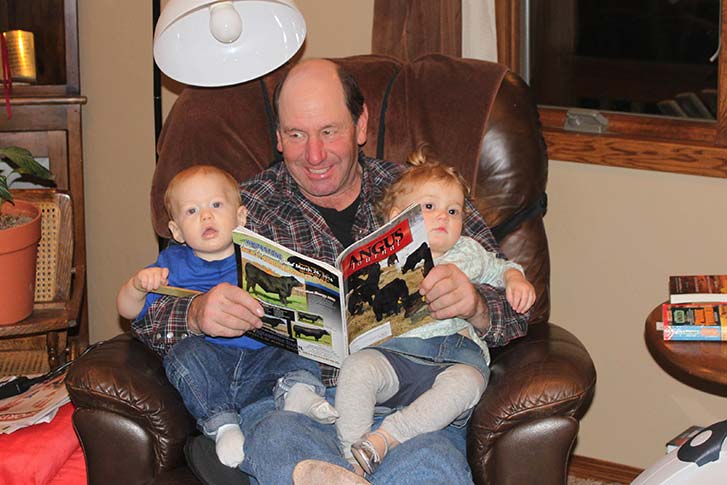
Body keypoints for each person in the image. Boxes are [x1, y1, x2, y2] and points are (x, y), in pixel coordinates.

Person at [133, 58, 530, 484]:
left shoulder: (427, 196)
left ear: (360, 126)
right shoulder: (237, 210)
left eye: (329, 131)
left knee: (430, 467)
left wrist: (474, 304)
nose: (315, 154)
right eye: (296, 135)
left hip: (411, 404)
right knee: (274, 440)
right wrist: (196, 313)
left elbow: (520, 309)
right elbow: (149, 312)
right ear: (279, 138)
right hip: (296, 401)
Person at [118, 165, 337, 470]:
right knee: (184, 354)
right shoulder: (171, 264)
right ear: (177, 231)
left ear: (241, 216)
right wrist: (137, 286)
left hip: (265, 365)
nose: (206, 216)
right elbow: (128, 312)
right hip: (213, 365)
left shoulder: (259, 256)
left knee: (296, 345)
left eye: (216, 205)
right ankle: (222, 425)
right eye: (192, 211)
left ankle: (298, 390)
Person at [335, 147, 536, 476]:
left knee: (469, 384)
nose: (444, 216)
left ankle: (385, 437)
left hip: (453, 359)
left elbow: (502, 267)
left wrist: (516, 279)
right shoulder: (380, 257)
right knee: (356, 368)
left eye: (454, 211)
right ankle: (352, 457)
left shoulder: (469, 252)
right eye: (429, 207)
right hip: (395, 356)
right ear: (397, 218)